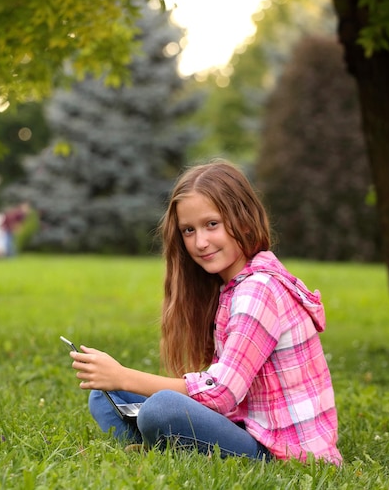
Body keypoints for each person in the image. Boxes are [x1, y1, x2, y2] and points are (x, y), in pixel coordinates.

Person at [69, 159, 342, 464]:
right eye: (188, 230)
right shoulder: (232, 287)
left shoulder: (259, 290)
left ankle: (161, 445)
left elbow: (221, 393)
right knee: (107, 397)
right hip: (246, 425)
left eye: (212, 224)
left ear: (244, 220)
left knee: (161, 409)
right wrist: (118, 383)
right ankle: (162, 447)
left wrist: (123, 375)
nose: (200, 242)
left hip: (281, 451)